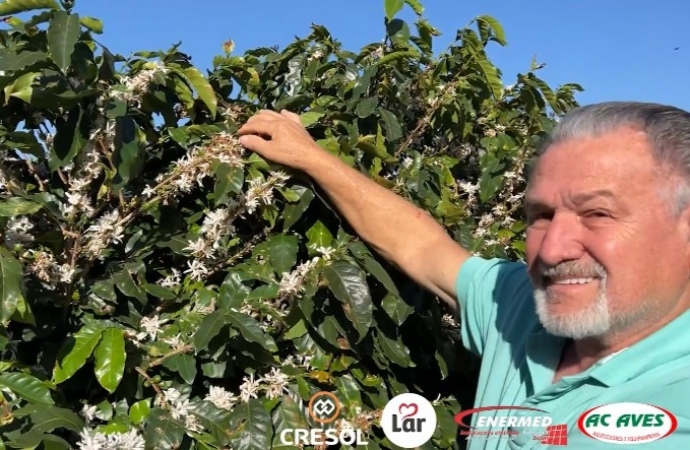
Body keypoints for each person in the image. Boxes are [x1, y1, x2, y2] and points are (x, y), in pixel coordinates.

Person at [237, 102, 690, 449]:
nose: (552, 250)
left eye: (597, 213)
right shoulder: (521, 305)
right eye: (540, 215)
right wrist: (311, 158)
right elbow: (422, 247)